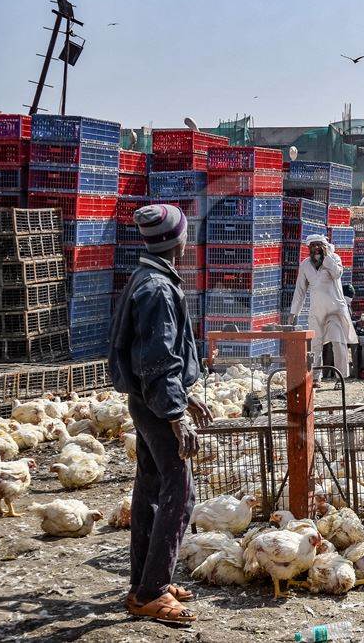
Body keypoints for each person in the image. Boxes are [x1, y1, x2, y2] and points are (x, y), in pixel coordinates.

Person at [108, 204, 213, 625]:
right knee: (180, 491)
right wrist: (174, 411)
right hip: (154, 403)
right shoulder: (157, 289)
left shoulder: (147, 279)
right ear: (177, 241)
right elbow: (157, 359)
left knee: (151, 486)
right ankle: (151, 591)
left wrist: (182, 397)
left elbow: (153, 357)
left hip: (147, 399)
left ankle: (144, 584)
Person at [288, 234, 358, 385]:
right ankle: (315, 378)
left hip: (335, 310)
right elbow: (300, 290)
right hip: (316, 310)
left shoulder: (334, 259)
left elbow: (337, 274)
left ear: (325, 246)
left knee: (338, 342)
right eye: (312, 246)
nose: (315, 249)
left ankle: (341, 378)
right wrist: (294, 312)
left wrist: (327, 258)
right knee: (315, 344)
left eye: (319, 245)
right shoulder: (306, 264)